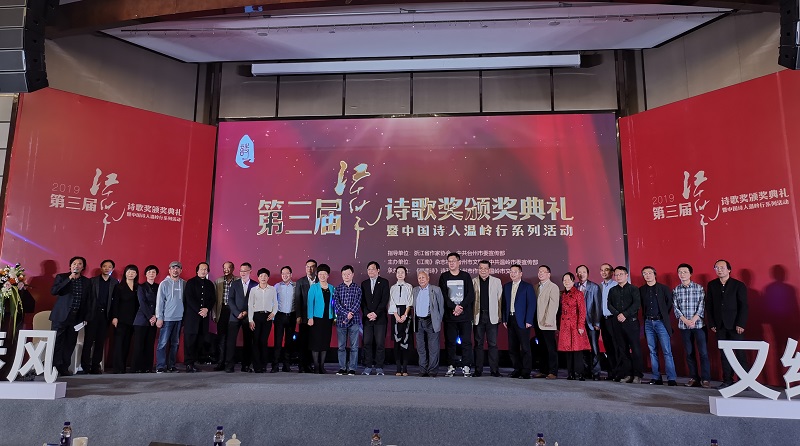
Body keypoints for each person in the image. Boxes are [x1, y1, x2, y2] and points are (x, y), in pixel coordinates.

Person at [706, 259, 748, 389]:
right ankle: (727, 380)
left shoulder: (738, 285)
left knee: (740, 353)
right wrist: (712, 323)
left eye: (722, 267)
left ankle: (744, 380)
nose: (719, 270)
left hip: (735, 325)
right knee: (724, 354)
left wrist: (741, 323)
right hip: (720, 326)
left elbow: (743, 306)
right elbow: (709, 305)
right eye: (717, 268)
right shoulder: (712, 285)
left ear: (729, 269)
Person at [50, 256, 91, 376]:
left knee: (70, 343)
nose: (76, 266)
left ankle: (64, 367)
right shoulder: (62, 277)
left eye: (79, 264)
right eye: (74, 263)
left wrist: (86, 317)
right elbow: (54, 291)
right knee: (57, 342)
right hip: (61, 316)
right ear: (70, 266)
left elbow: (88, 300)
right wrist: (69, 279)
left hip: (76, 317)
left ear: (83, 267)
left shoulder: (87, 281)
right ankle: (53, 367)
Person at [673, 263, 711, 388]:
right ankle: (694, 377)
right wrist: (685, 320)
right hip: (684, 326)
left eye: (685, 272)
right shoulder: (676, 290)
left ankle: (706, 379)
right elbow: (676, 308)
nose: (682, 274)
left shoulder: (699, 288)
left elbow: (702, 306)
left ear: (690, 273)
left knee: (703, 353)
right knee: (689, 353)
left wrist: (693, 320)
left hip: (699, 325)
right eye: (680, 272)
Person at [639, 266, 677, 386]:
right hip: (648, 322)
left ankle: (671, 378)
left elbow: (669, 304)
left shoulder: (663, 288)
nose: (647, 275)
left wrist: (662, 315)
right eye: (645, 273)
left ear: (655, 274)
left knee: (667, 351)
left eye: (649, 273)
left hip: (661, 322)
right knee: (652, 350)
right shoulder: (641, 290)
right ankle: (656, 377)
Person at [439, 252, 475, 377]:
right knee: (450, 342)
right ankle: (451, 365)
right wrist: (453, 307)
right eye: (449, 261)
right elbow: (443, 295)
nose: (451, 263)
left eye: (453, 261)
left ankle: (466, 366)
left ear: (459, 262)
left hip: (464, 316)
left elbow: (470, 295)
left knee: (466, 342)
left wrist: (460, 307)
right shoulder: (444, 276)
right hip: (450, 316)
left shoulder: (466, 276)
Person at [81, 259, 119, 374]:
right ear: (101, 268)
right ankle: (85, 366)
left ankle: (95, 366)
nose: (107, 268)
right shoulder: (93, 281)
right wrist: (85, 316)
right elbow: (87, 299)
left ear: (112, 269)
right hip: (92, 314)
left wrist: (114, 316)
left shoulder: (115, 282)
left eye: (109, 267)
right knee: (88, 341)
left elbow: (115, 302)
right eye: (104, 266)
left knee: (100, 341)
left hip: (105, 315)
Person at [607, 266, 643, 384]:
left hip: (631, 323)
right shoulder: (612, 290)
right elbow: (609, 305)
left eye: (620, 274)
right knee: (622, 349)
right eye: (616, 275)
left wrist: (625, 314)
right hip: (617, 323)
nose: (618, 277)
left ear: (626, 275)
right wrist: (618, 314)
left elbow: (636, 304)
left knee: (636, 349)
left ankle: (637, 375)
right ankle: (628, 374)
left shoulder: (633, 289)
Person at [502, 264, 536, 379]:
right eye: (511, 271)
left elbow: (531, 304)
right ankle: (517, 369)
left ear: (521, 274)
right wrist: (504, 319)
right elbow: (504, 304)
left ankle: (526, 371)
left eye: (515, 272)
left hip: (523, 321)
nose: (512, 274)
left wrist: (529, 320)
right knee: (513, 347)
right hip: (510, 319)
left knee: (525, 348)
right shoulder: (506, 286)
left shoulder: (527, 287)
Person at [472, 260, 502, 377]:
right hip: (478, 316)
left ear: (489, 270)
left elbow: (500, 300)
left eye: (485, 268)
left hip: (492, 316)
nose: (483, 270)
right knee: (478, 344)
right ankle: (478, 370)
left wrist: (500, 316)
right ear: (478, 269)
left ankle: (494, 370)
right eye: (481, 268)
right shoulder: (473, 281)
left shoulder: (496, 281)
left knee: (493, 344)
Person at [558, 272, 590, 381]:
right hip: (565, 326)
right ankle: (570, 373)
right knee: (568, 350)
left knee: (577, 350)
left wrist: (581, 326)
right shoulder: (563, 294)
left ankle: (580, 373)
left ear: (573, 281)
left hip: (575, 325)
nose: (566, 282)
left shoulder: (578, 293)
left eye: (568, 280)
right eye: (564, 280)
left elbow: (582, 311)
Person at [225, 262, 257, 373]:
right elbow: (230, 299)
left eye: (245, 271)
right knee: (231, 341)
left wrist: (246, 312)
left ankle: (246, 365)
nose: (242, 273)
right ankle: (229, 365)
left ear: (250, 271)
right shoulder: (234, 284)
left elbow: (256, 302)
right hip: (235, 316)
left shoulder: (255, 285)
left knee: (248, 341)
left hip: (248, 317)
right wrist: (237, 313)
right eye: (241, 271)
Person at [183, 262, 214, 373]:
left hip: (204, 317)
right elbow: (189, 298)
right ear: (197, 270)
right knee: (189, 341)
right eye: (202, 269)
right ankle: (188, 364)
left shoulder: (210, 284)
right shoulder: (191, 282)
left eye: (206, 269)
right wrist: (199, 310)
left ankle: (194, 363)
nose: (204, 271)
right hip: (192, 317)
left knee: (199, 340)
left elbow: (213, 299)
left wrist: (207, 309)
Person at [361, 261, 390, 375]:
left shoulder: (384, 282)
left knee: (380, 343)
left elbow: (384, 300)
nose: (370, 271)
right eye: (369, 269)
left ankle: (379, 367)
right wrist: (367, 313)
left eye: (373, 269)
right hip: (367, 318)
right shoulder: (364, 283)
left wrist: (376, 313)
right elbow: (362, 301)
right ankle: (368, 366)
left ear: (378, 270)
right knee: (367, 342)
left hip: (380, 318)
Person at [413, 271, 444, 377]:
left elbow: (441, 307)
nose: (421, 279)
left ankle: (432, 370)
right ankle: (423, 369)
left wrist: (438, 320)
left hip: (431, 320)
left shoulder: (436, 289)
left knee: (433, 347)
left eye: (423, 277)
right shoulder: (415, 290)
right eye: (419, 278)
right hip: (418, 321)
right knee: (420, 347)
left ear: (428, 278)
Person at [155, 261, 185, 373]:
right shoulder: (164, 284)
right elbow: (160, 302)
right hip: (167, 318)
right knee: (162, 343)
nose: (175, 270)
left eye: (177, 268)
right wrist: (159, 317)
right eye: (173, 268)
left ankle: (171, 365)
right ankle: (160, 366)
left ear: (180, 270)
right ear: (169, 270)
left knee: (175, 343)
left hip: (179, 318)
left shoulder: (184, 284)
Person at [110, 264, 139, 374]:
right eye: (129, 271)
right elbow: (115, 303)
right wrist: (115, 317)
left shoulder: (138, 287)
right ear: (125, 273)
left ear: (136, 274)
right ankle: (117, 368)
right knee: (119, 344)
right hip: (121, 319)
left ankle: (123, 366)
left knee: (127, 343)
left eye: (133, 272)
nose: (131, 274)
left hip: (133, 320)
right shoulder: (119, 287)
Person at [307, 263, 336, 374]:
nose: (322, 276)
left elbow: (334, 304)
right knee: (316, 342)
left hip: (328, 318)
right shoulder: (314, 287)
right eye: (320, 274)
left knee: (325, 342)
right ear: (317, 275)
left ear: (328, 275)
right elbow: (310, 303)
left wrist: (335, 317)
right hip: (316, 318)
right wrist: (310, 317)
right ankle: (316, 366)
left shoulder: (332, 288)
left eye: (324, 274)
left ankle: (322, 366)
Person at [576, 265, 602, 380]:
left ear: (588, 273)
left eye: (583, 272)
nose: (581, 274)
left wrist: (597, 323)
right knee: (582, 348)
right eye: (579, 272)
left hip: (591, 322)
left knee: (594, 348)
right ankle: (586, 371)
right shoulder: (575, 286)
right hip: (579, 323)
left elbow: (598, 306)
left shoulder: (594, 287)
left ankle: (596, 372)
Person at [335, 265, 362, 376]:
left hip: (354, 321)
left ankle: (352, 368)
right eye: (344, 274)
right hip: (341, 321)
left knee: (354, 346)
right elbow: (337, 304)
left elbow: (358, 303)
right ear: (342, 275)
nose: (346, 276)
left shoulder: (357, 288)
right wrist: (347, 314)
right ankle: (342, 367)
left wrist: (351, 313)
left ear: (352, 275)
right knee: (341, 346)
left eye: (348, 274)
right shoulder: (338, 288)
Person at [249, 268, 277, 373]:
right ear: (258, 277)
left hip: (267, 317)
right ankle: (257, 366)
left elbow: (276, 303)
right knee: (256, 341)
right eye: (261, 276)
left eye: (265, 276)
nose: (263, 278)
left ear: (268, 277)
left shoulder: (272, 289)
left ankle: (264, 364)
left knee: (263, 341)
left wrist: (273, 313)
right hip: (256, 316)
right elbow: (250, 305)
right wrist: (250, 320)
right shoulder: (253, 290)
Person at [535, 265, 560, 379]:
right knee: (542, 347)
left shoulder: (553, 287)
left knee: (551, 348)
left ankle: (553, 371)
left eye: (543, 272)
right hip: (538, 322)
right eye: (539, 271)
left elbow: (553, 306)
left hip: (548, 323)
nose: (540, 273)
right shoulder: (536, 287)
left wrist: (548, 320)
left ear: (548, 274)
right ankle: (543, 370)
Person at [133, 265, 159, 373]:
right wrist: (150, 316)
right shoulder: (141, 287)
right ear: (146, 274)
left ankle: (148, 367)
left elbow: (160, 302)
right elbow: (142, 303)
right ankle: (137, 368)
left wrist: (156, 316)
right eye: (149, 272)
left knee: (149, 344)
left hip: (154, 319)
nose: (151, 274)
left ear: (156, 274)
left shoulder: (159, 286)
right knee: (139, 345)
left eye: (153, 272)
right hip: (141, 320)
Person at [293, 259, 317, 373]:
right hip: (304, 316)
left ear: (315, 268)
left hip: (316, 317)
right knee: (303, 341)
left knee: (313, 341)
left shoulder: (320, 280)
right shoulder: (300, 282)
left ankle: (311, 364)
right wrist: (298, 315)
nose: (309, 269)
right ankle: (302, 365)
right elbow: (297, 300)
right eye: (307, 266)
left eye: (312, 267)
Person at [389, 266, 414, 376]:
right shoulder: (392, 288)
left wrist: (405, 314)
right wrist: (396, 315)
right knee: (397, 341)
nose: (400, 274)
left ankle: (405, 368)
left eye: (402, 272)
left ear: (405, 274)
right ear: (395, 274)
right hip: (395, 314)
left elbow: (410, 301)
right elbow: (391, 302)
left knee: (406, 341)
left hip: (406, 314)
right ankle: (398, 368)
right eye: (398, 272)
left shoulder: (409, 287)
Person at [272, 266, 297, 373]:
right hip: (279, 316)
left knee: (289, 342)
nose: (285, 275)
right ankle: (275, 365)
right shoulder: (277, 286)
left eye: (287, 273)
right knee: (277, 341)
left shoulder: (296, 286)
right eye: (283, 274)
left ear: (291, 274)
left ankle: (286, 365)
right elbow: (272, 301)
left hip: (291, 315)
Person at [213, 261, 235, 371]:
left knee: (231, 338)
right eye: (224, 268)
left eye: (228, 267)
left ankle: (229, 363)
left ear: (233, 269)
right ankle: (220, 363)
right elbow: (214, 300)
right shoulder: (218, 281)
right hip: (222, 311)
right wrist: (214, 314)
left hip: (233, 311)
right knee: (221, 338)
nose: (226, 270)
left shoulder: (238, 281)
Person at [598, 263, 618, 380]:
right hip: (603, 320)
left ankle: (619, 372)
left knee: (616, 346)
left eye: (606, 270)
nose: (604, 272)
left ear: (612, 272)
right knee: (608, 347)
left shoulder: (616, 285)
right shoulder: (599, 286)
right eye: (602, 270)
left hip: (614, 319)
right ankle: (611, 373)